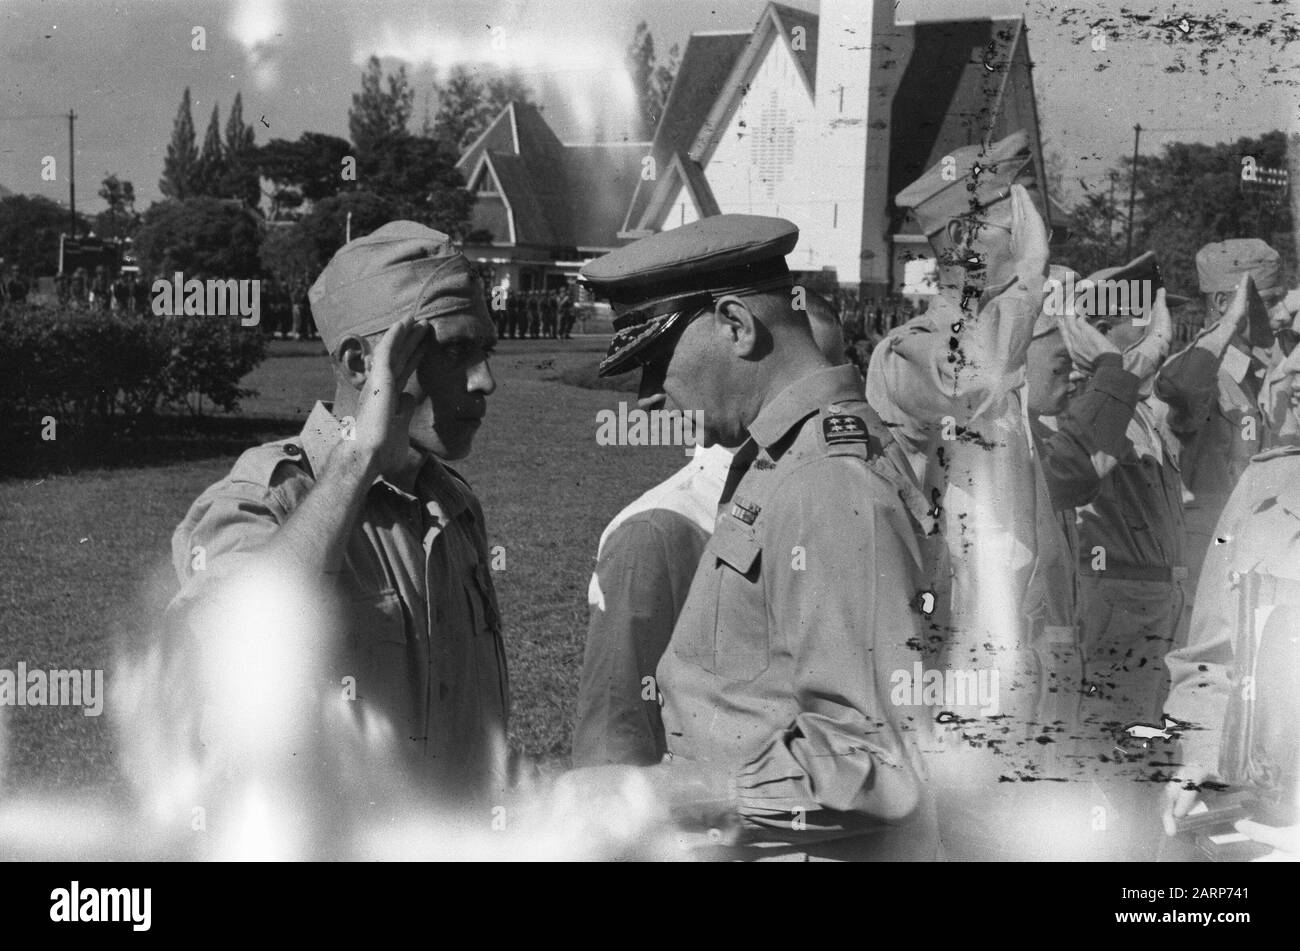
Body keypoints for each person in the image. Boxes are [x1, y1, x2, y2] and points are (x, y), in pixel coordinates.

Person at [562, 214, 939, 861]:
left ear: (737, 325)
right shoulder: (780, 456)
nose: (649, 399)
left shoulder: (827, 479)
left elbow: (871, 754)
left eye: (657, 360)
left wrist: (665, 794)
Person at [166, 221, 508, 805]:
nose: (485, 381)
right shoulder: (267, 499)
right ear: (359, 365)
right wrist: (359, 459)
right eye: (455, 351)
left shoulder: (453, 505)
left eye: (485, 350)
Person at [572, 289, 850, 769]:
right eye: (805, 373)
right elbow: (613, 741)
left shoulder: (841, 495)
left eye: (838, 367)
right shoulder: (660, 530)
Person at [1162, 342, 1300, 859]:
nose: (1290, 369)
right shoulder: (1264, 486)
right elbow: (1211, 661)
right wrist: (1203, 756)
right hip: (1251, 833)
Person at [1157, 240, 1286, 612]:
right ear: (1222, 304)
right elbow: (1178, 387)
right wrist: (1230, 325)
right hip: (1205, 566)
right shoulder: (1196, 374)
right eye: (1267, 301)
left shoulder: (1251, 376)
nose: (1279, 316)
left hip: (1247, 559)